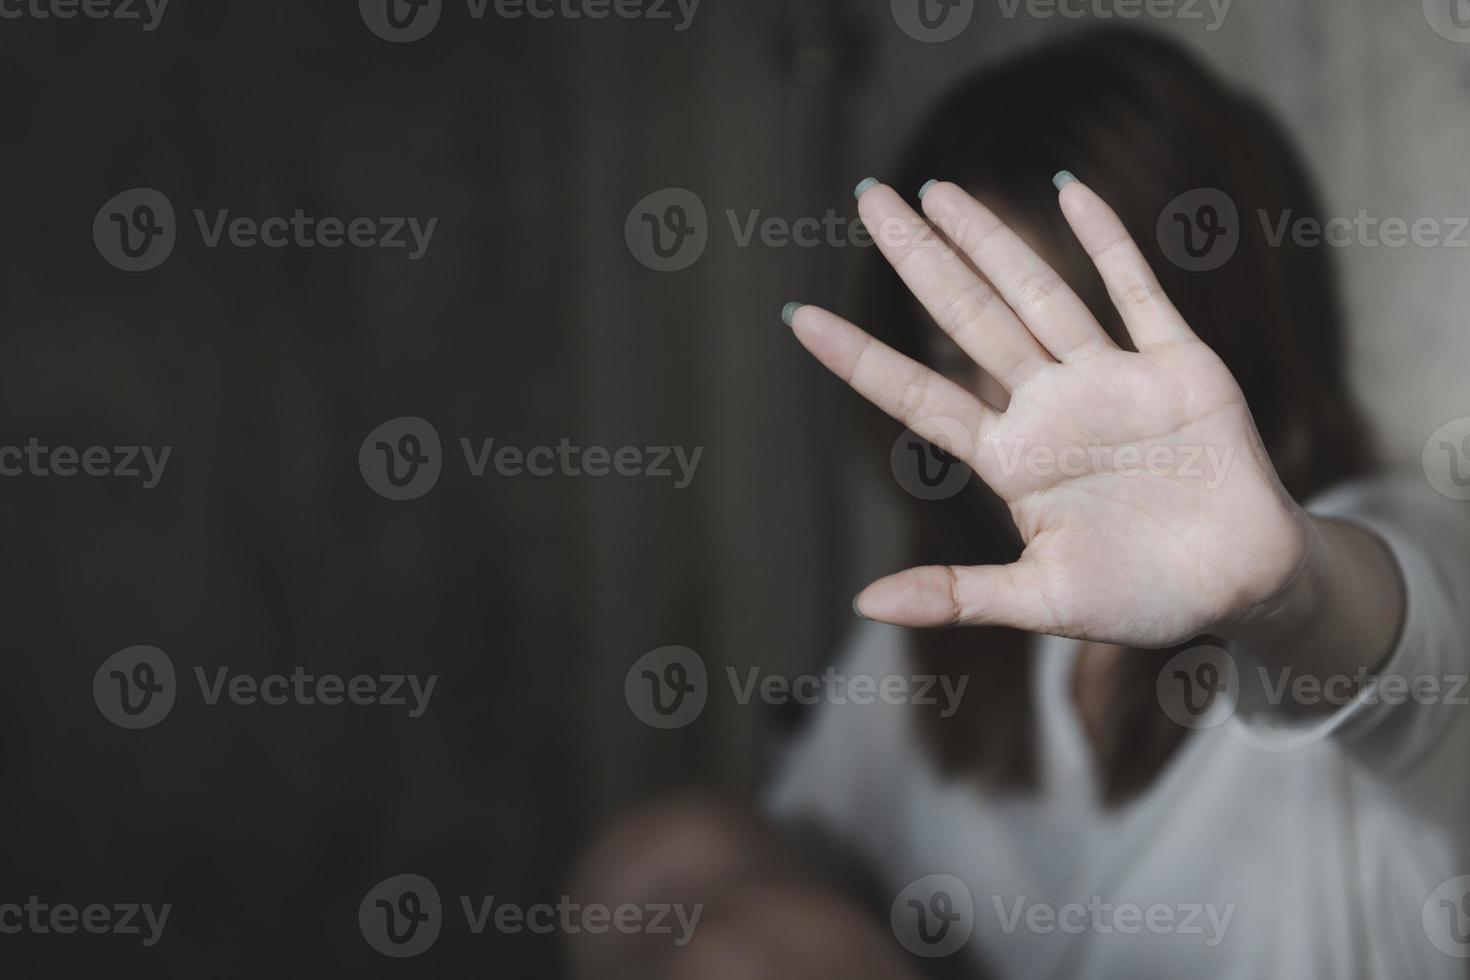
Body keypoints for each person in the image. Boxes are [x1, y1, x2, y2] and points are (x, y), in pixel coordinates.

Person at [571, 30, 1470, 980]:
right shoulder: (968, 619)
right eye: (969, 361)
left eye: (1077, 356)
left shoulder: (1396, 539)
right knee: (658, 867)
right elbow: (781, 855)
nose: (1024, 430)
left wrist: (1288, 592)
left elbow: (1404, 652)